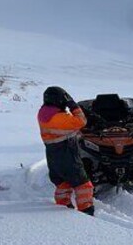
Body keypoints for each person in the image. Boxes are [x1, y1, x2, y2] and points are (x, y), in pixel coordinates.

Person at [37, 86, 95, 216]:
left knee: (63, 184)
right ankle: (86, 211)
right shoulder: (59, 118)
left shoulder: (43, 114)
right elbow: (81, 121)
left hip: (53, 155)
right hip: (67, 155)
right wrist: (73, 105)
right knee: (83, 185)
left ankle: (62, 208)